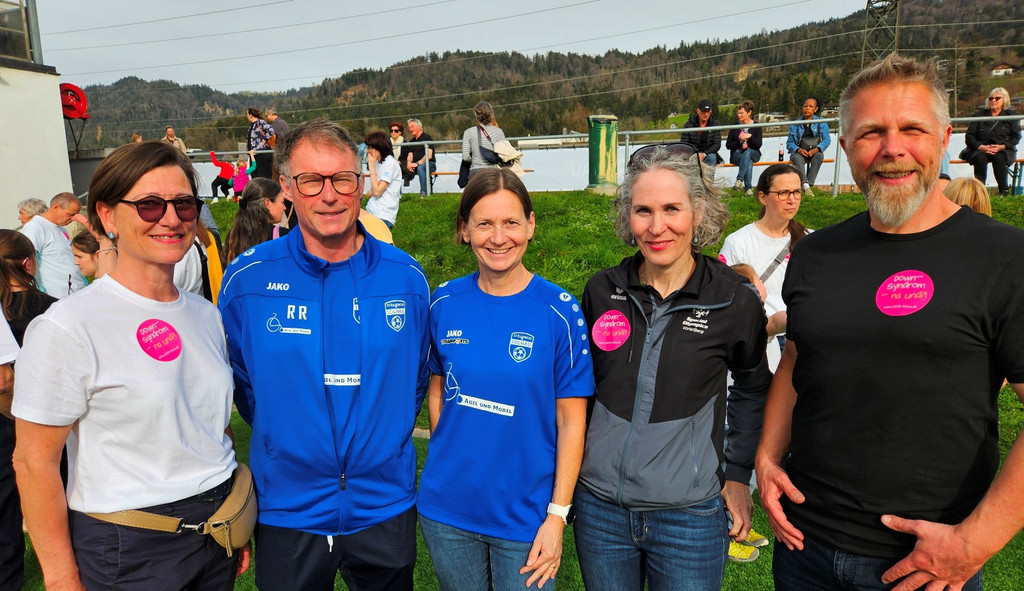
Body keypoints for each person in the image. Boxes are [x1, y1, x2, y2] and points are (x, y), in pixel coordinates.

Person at [756, 53, 1024, 591]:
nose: (892, 149)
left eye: (912, 130)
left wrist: (973, 543)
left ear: (945, 138)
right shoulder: (816, 253)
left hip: (922, 565)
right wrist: (764, 455)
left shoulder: (1003, 255)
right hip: (804, 546)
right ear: (846, 145)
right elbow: (798, 355)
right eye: (871, 132)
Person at [12, 140, 249, 590]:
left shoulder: (205, 315)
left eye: (184, 204)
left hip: (216, 532)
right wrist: (62, 578)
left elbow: (212, 426)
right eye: (149, 205)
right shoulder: (69, 326)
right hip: (129, 544)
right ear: (106, 216)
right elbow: (33, 463)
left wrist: (231, 519)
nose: (171, 218)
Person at [219, 118, 430, 591]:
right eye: (312, 180)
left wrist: (384, 437)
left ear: (360, 185)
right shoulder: (247, 280)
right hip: (288, 505)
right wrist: (288, 435)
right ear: (289, 188)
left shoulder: (406, 278)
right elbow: (238, 386)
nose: (329, 195)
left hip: (384, 503)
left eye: (342, 179)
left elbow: (413, 379)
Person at [573, 144, 771, 590]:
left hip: (689, 516)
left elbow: (755, 387)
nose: (656, 226)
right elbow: (578, 392)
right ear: (627, 216)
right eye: (643, 210)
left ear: (698, 212)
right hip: (600, 510)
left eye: (672, 209)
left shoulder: (733, 299)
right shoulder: (602, 290)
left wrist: (738, 474)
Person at [418, 169, 593, 591]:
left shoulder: (560, 311)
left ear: (531, 225)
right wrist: (457, 455)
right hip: (448, 511)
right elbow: (438, 390)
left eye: (511, 222)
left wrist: (557, 514)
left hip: (527, 516)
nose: (498, 237)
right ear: (465, 230)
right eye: (484, 223)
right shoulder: (443, 301)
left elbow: (571, 423)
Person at [0, 230, 56, 591]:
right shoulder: (54, 307)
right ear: (27, 263)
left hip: (8, 417)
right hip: (44, 419)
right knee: (57, 501)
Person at [718, 162, 808, 348]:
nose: (792, 200)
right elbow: (722, 298)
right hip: (759, 339)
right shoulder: (737, 242)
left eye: (797, 192)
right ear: (763, 197)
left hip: (802, 337)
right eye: (783, 193)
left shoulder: (810, 240)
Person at [19, 192, 86, 298]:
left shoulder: (61, 228)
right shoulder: (35, 227)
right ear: (56, 207)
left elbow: (67, 258)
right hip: (56, 298)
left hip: (76, 292)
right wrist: (37, 293)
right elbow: (27, 262)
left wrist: (83, 280)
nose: (73, 219)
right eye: (71, 214)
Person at [963, 87, 1020, 197]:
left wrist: (1002, 146)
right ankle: (980, 192)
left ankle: (1004, 191)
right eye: (991, 98)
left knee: (999, 157)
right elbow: (969, 136)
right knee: (980, 158)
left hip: (1003, 149)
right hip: (981, 149)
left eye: (997, 98)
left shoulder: (1011, 115)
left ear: (1005, 100)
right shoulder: (979, 115)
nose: (993, 101)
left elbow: (1016, 137)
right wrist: (980, 147)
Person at [223, 177, 289, 262]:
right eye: (283, 202)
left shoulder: (234, 235)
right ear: (267, 203)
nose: (284, 208)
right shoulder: (282, 236)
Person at [786, 97, 831, 194]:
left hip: (814, 151)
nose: (807, 108)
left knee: (819, 156)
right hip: (799, 151)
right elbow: (789, 143)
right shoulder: (795, 124)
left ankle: (808, 185)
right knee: (797, 158)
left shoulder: (821, 122)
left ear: (816, 109)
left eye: (810, 106)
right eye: (805, 106)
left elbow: (827, 139)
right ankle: (805, 185)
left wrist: (817, 149)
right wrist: (798, 150)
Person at [363, 131, 402, 230]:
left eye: (369, 148)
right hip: (371, 211)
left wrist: (371, 169)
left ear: (379, 148)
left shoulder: (390, 163)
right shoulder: (378, 163)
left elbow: (376, 191)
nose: (367, 151)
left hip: (383, 216)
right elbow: (370, 192)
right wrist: (375, 187)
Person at [461, 101, 508, 180]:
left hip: (475, 171)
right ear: (491, 114)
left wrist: (474, 160)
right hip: (494, 172)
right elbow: (504, 154)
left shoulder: (468, 132)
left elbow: (465, 157)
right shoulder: (499, 132)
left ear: (476, 115)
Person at [727, 100, 763, 195]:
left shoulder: (757, 126)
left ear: (749, 112)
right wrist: (740, 142)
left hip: (754, 153)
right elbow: (728, 145)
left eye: (742, 113)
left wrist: (750, 137)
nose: (739, 115)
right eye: (738, 113)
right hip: (737, 155)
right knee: (748, 160)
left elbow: (758, 145)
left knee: (748, 153)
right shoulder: (735, 126)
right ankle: (748, 189)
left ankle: (739, 180)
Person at [680, 99, 723, 167]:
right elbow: (684, 143)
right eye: (703, 112)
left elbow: (717, 144)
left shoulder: (715, 125)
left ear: (710, 111)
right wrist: (695, 155)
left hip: (709, 154)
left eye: (708, 112)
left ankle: (709, 178)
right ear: (698, 111)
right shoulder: (688, 125)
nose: (706, 114)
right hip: (693, 154)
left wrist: (704, 154)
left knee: (712, 158)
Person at [402, 118, 436, 197]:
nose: (410, 129)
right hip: (415, 165)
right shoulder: (411, 141)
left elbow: (429, 155)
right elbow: (410, 155)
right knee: (400, 167)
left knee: (421, 168)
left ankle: (423, 193)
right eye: (409, 127)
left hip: (429, 164)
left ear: (419, 127)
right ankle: (398, 195)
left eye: (412, 126)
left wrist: (417, 164)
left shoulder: (427, 138)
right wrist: (409, 163)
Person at [245, 108, 276, 179]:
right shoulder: (252, 126)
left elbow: (271, 131)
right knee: (256, 178)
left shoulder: (260, 122)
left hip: (262, 154)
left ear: (250, 115)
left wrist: (264, 141)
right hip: (254, 155)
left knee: (265, 177)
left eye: (247, 114)